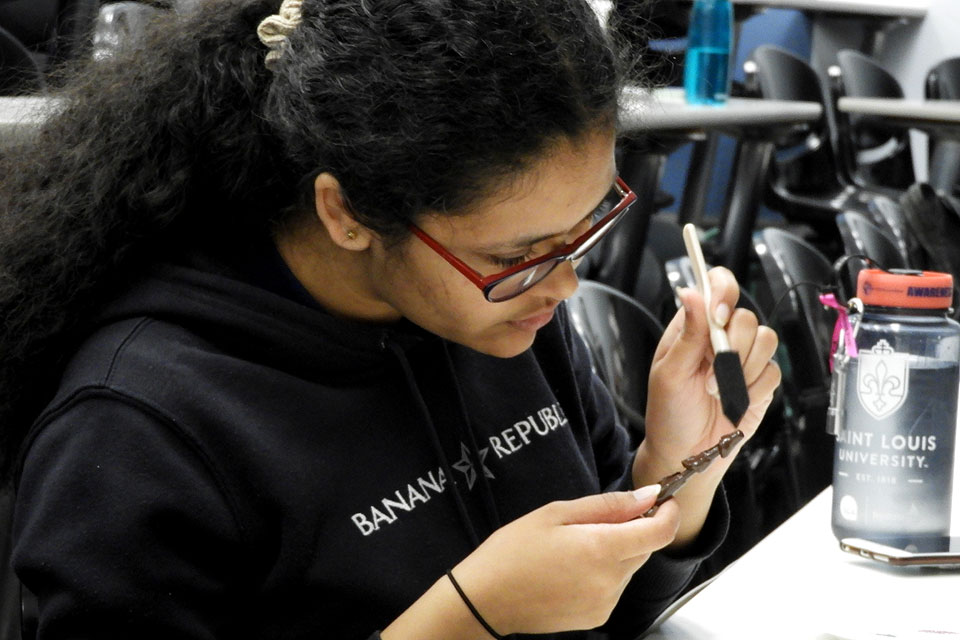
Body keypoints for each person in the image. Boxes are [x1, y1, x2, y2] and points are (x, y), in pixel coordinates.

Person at [0, 0, 781, 638]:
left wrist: (680, 470)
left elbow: (616, 611)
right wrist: (464, 622)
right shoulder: (137, 429)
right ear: (347, 213)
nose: (566, 284)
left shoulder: (496, 311)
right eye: (525, 252)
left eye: (586, 227)